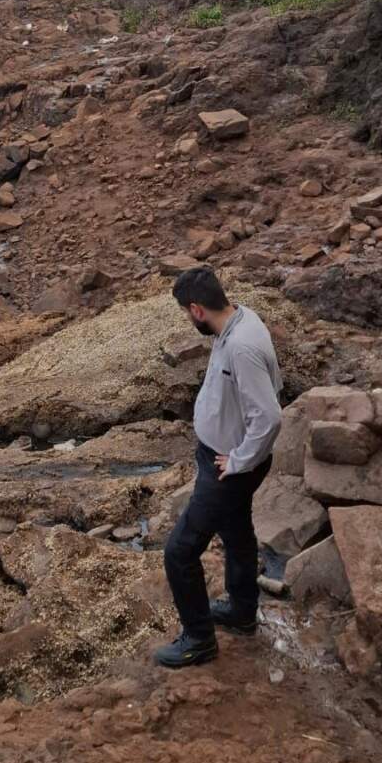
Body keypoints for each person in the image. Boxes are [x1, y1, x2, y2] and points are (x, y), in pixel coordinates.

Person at [153, 266, 282, 669]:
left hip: (228, 468)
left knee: (179, 552)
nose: (187, 320)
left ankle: (198, 640)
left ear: (196, 309)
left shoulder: (240, 346)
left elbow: (270, 417)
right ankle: (243, 611)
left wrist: (240, 460)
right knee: (237, 532)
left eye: (185, 313)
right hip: (225, 459)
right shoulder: (239, 318)